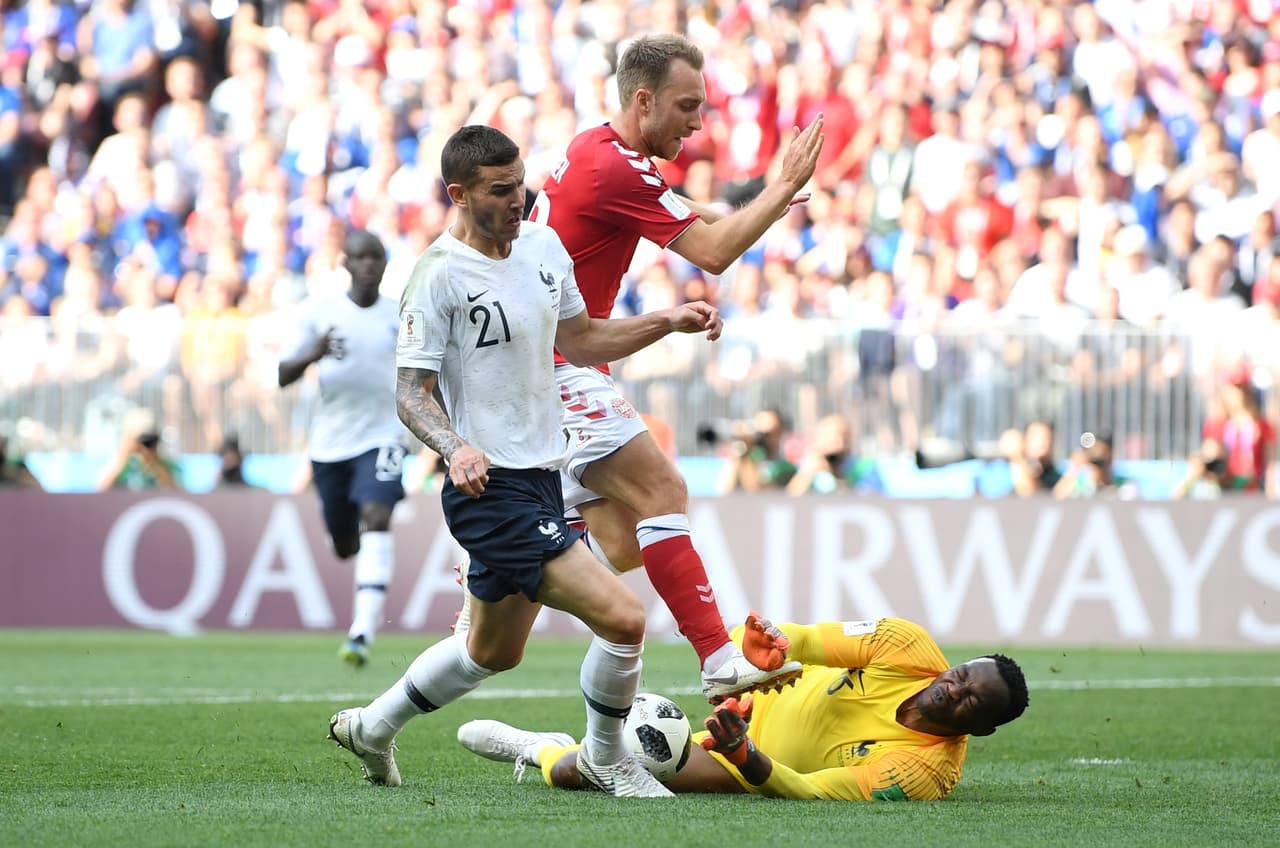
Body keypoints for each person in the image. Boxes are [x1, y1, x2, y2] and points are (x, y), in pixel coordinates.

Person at [327, 125, 737, 797]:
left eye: (521, 183)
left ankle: (372, 727)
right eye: (499, 190)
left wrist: (663, 320)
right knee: (624, 618)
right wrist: (454, 447)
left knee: (491, 651)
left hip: (543, 480)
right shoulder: (437, 276)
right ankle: (606, 757)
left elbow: (580, 341)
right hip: (488, 490)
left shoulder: (544, 247)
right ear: (459, 195)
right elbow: (410, 392)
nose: (518, 199)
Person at [526, 32, 823, 701]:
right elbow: (713, 252)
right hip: (558, 364)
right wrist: (781, 189)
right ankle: (719, 660)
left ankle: (518, 563)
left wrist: (763, 201)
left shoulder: (595, 148)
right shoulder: (618, 169)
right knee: (665, 493)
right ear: (643, 99)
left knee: (626, 541)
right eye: (687, 106)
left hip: (555, 365)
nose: (698, 122)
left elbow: (692, 214)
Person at [458, 616, 1029, 802]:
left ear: (982, 728)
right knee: (620, 754)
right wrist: (763, 656)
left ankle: (537, 748)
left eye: (971, 700)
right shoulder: (905, 644)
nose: (953, 688)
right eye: (961, 675)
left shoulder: (926, 772)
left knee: (582, 773)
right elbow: (802, 640)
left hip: (747, 766)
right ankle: (557, 747)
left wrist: (746, 756)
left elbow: (810, 791)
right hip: (748, 707)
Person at [278, 228, 408, 668]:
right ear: (345, 264)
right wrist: (313, 353)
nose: (369, 264)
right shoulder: (318, 313)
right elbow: (282, 375)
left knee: (378, 514)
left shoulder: (401, 314)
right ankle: (349, 550)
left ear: (385, 264)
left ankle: (362, 633)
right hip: (330, 445)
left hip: (384, 437)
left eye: (376, 256)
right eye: (360, 257)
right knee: (345, 544)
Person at [94, 409, 180, 491]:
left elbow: (178, 494)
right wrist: (124, 456)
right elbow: (100, 493)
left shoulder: (168, 465)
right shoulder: (117, 464)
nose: (144, 444)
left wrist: (155, 462)